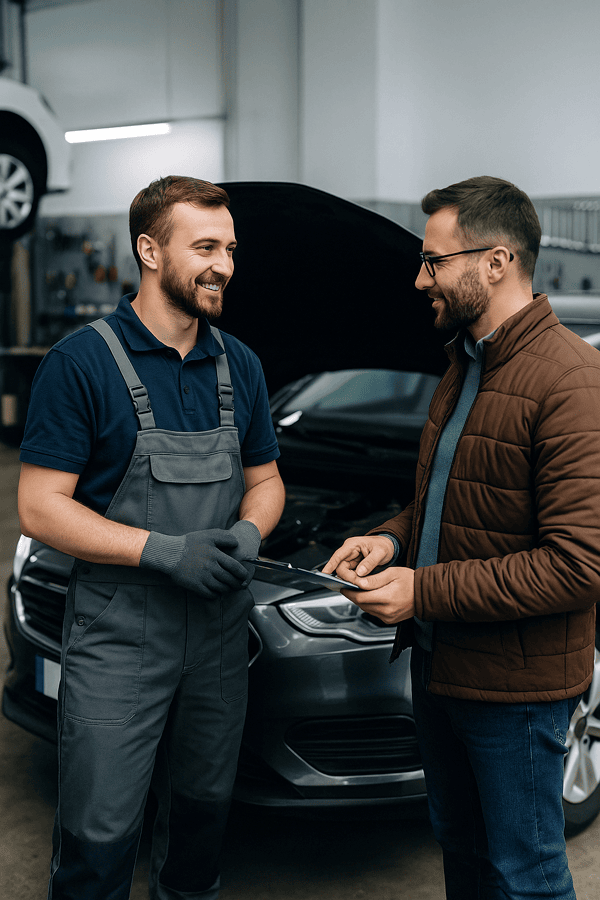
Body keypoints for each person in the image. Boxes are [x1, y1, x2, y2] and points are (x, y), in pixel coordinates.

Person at [323, 175, 600, 900]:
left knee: (527, 872)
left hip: (516, 691)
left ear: (497, 262)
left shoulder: (570, 380)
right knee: (466, 860)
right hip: (443, 671)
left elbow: (576, 565)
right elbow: (451, 503)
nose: (421, 279)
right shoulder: (463, 367)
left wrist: (422, 590)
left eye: (435, 262)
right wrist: (390, 539)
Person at [18, 175, 285, 900]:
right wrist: (164, 550)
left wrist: (250, 533)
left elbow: (266, 480)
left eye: (229, 248)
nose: (223, 264)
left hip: (219, 636)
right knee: (98, 841)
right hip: (120, 632)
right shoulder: (81, 364)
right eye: (204, 246)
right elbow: (40, 508)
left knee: (200, 829)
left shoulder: (241, 364)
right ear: (149, 250)